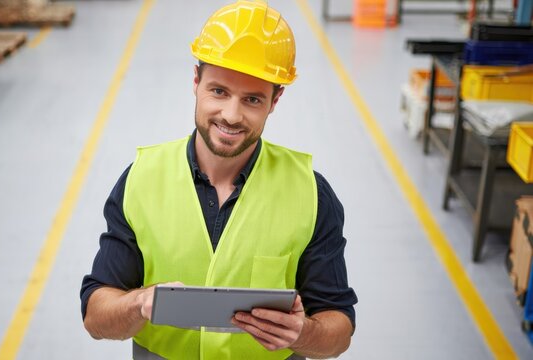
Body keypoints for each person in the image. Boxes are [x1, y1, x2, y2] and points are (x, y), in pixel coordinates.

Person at [80, 1, 357, 359]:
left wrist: (303, 333)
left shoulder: (310, 193)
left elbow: (339, 329)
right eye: (219, 91)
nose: (231, 115)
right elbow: (95, 317)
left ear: (275, 100)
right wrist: (139, 303)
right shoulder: (142, 179)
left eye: (252, 99)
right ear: (196, 81)